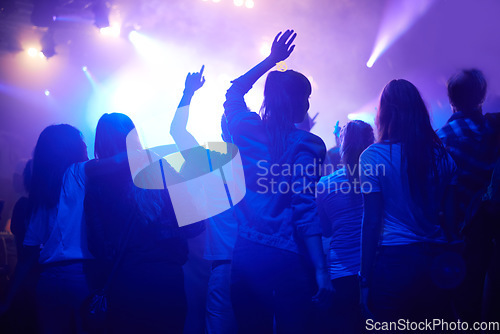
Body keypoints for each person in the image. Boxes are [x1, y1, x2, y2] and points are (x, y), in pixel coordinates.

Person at [223, 30, 332, 334]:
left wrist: (271, 61)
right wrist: (322, 270)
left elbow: (233, 93)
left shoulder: (246, 129)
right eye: (306, 97)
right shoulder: (306, 144)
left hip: (247, 253)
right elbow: (304, 207)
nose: (308, 104)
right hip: (289, 258)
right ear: (299, 104)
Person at [359, 79, 460, 321]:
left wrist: (364, 279)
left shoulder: (373, 156)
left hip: (395, 261)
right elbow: (451, 218)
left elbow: (372, 221)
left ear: (385, 113)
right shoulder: (442, 156)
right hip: (436, 259)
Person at [85, 113, 190, 334]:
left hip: (125, 281)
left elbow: (97, 244)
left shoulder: (96, 182)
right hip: (167, 279)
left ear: (100, 142)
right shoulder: (161, 167)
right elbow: (193, 225)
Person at [170, 66, 238, 334]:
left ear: (223, 131)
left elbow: (177, 131)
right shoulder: (261, 162)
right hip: (258, 261)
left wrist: (188, 93)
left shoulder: (209, 161)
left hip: (222, 263)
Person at [436, 69, 500, 322]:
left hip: (459, 234)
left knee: (463, 309)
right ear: (482, 95)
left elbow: (437, 191)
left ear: (451, 99)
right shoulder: (496, 127)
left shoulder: (441, 139)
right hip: (494, 230)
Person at [316, 120, 374, 333]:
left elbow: (326, 230)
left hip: (340, 275)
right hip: (374, 269)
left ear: (342, 145)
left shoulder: (324, 185)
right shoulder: (379, 178)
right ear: (372, 142)